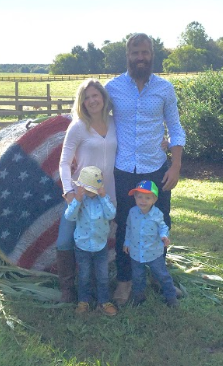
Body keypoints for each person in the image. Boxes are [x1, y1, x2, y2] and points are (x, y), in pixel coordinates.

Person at [105, 33, 186, 305]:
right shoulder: (112, 88)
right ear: (127, 55)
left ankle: (157, 273)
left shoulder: (165, 89)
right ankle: (125, 281)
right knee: (125, 224)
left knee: (161, 220)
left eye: (145, 52)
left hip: (156, 170)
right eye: (135, 53)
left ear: (152, 54)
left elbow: (175, 128)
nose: (141, 57)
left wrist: (175, 165)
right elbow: (95, 120)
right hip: (124, 170)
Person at [56, 79, 117, 303]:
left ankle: (98, 287)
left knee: (99, 240)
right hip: (80, 196)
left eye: (95, 95)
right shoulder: (78, 126)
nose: (92, 100)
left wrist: (162, 142)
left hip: (105, 196)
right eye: (87, 97)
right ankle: (68, 289)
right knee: (64, 241)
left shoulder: (114, 123)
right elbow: (64, 163)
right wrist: (69, 192)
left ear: (103, 98)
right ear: (81, 102)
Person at [64, 166, 117, 316]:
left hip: (101, 245)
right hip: (82, 246)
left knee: (102, 276)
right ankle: (83, 301)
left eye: (91, 190)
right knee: (84, 275)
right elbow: (70, 216)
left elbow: (111, 214)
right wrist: (78, 200)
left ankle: (104, 301)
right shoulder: (79, 200)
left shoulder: (103, 200)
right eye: (86, 190)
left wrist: (103, 196)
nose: (89, 193)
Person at [123, 180, 178, 307]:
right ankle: (139, 296)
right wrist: (127, 242)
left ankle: (171, 297)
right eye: (139, 197)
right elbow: (129, 228)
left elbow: (163, 227)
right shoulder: (132, 212)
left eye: (147, 198)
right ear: (135, 197)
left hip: (154, 252)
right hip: (136, 252)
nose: (143, 200)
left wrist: (164, 236)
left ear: (154, 199)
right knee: (137, 277)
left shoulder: (157, 214)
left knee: (162, 275)